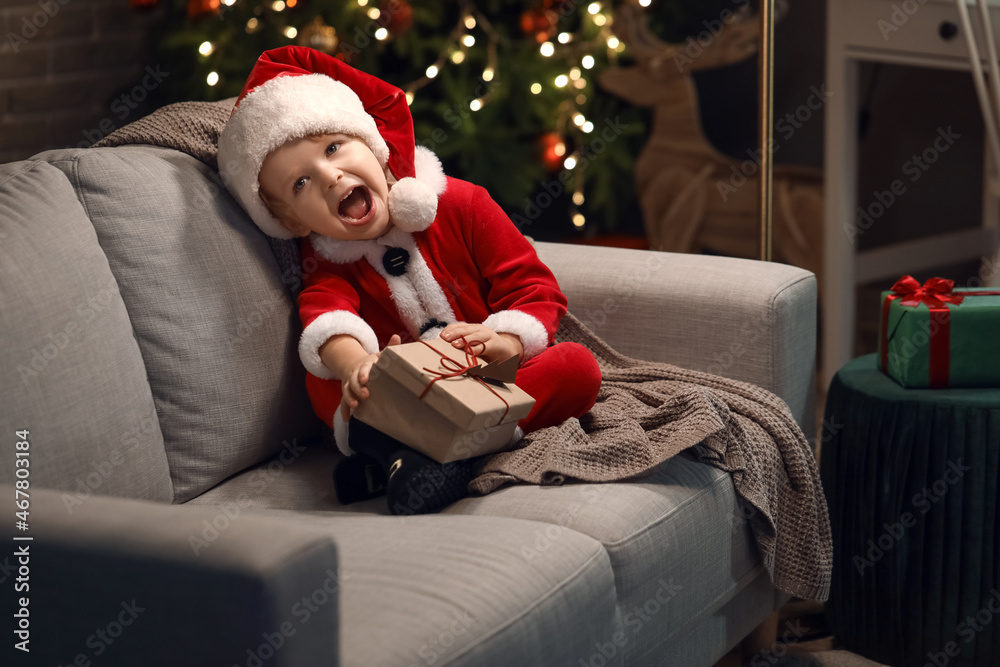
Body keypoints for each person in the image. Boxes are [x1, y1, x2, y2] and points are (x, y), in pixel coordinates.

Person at [218, 46, 601, 515]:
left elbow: (533, 287)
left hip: (488, 376)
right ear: (295, 222)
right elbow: (327, 317)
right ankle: (428, 453)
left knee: (577, 368)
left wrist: (506, 341)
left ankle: (414, 459)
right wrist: (358, 364)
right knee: (325, 381)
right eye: (300, 184)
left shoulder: (463, 205)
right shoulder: (327, 259)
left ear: (375, 145)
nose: (329, 175)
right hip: (402, 394)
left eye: (334, 147)